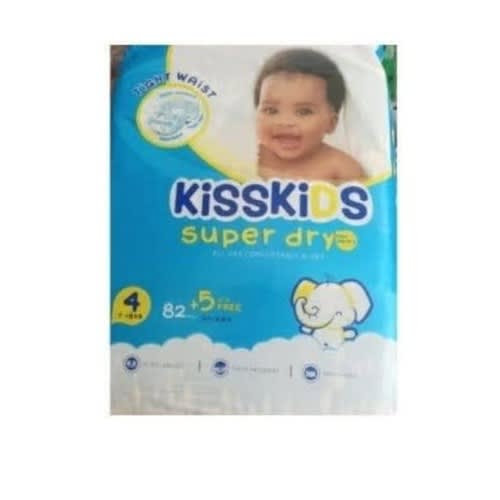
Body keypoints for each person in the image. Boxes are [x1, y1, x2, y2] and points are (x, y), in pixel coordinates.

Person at [254, 48, 365, 182]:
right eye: (271, 110)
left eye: (303, 112)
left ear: (331, 123)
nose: (285, 121)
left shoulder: (342, 169)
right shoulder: (251, 157)